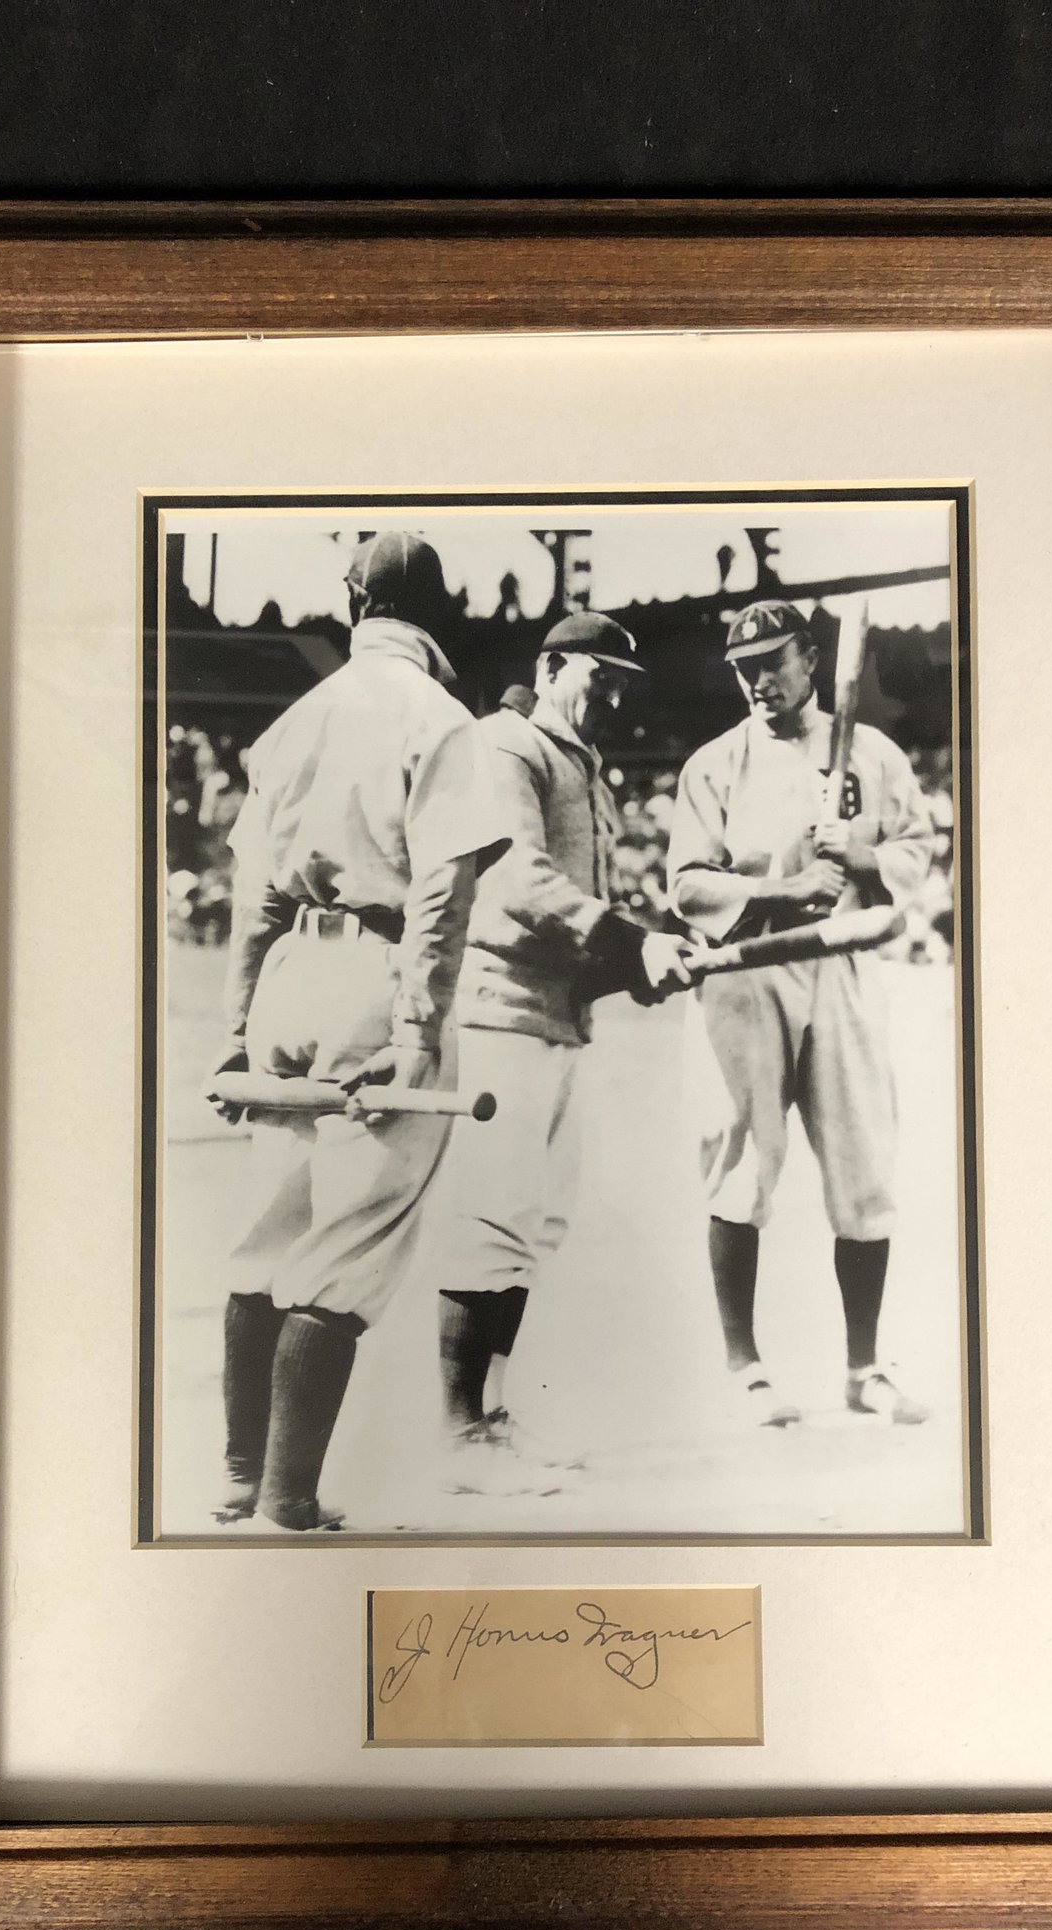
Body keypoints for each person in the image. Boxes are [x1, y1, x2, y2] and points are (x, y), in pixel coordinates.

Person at [204, 532, 507, 1531]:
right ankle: (288, 1495)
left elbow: (252, 893)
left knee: (266, 1237)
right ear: (439, 613)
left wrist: (237, 1026)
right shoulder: (442, 716)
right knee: (347, 1249)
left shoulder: (298, 719)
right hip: (378, 975)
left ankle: (242, 1477)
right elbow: (442, 886)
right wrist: (418, 1025)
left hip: (292, 968)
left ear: (351, 606)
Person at [435, 611, 693, 1486]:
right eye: (599, 676)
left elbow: (579, 928)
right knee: (491, 1218)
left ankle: (496, 1418)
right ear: (551, 667)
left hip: (557, 1017)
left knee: (536, 1222)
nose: (613, 695)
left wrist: (634, 967)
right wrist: (630, 942)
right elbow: (513, 881)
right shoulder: (506, 743)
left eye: (625, 683)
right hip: (501, 1015)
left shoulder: (582, 762)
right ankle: (458, 1434)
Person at [667, 598, 934, 1428]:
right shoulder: (715, 764)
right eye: (745, 668)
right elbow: (686, 885)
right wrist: (784, 887)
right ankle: (744, 1366)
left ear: (811, 661)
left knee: (863, 1166)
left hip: (843, 958)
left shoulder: (877, 755)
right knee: (742, 1165)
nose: (758, 681)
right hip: (748, 971)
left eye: (773, 663)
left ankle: (863, 1366)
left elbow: (918, 852)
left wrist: (857, 856)